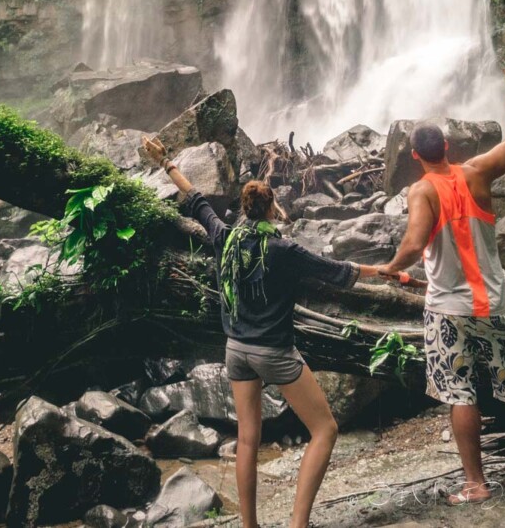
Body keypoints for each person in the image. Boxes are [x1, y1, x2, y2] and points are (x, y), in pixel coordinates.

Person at [142, 135, 381, 528]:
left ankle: (249, 526)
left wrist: (166, 162)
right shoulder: (283, 250)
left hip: (236, 349)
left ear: (242, 209)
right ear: (270, 206)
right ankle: (298, 524)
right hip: (274, 352)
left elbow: (195, 200)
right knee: (325, 429)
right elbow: (337, 273)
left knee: (248, 439)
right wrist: (386, 272)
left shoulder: (226, 236)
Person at [378, 59, 505, 504]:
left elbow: (413, 243)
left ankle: (475, 484)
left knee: (459, 393)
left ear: (415, 156)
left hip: (449, 311)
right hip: (495, 303)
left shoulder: (421, 190)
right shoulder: (477, 172)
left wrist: (392, 267)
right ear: (447, 146)